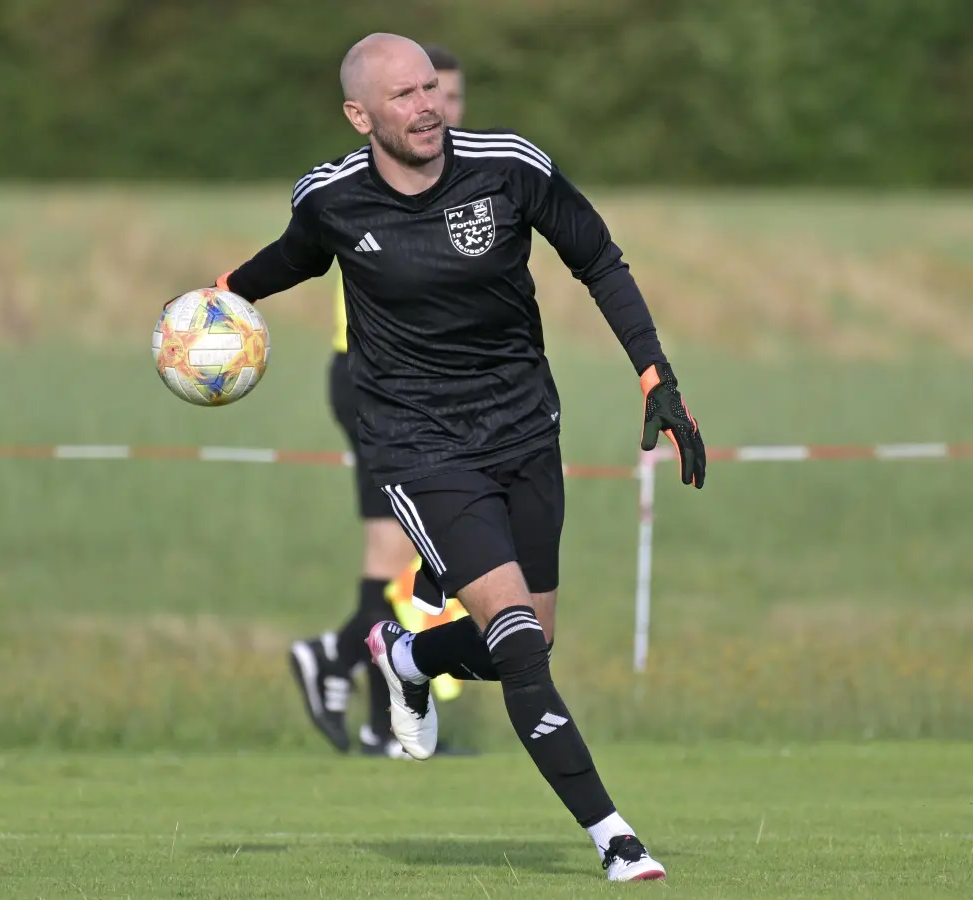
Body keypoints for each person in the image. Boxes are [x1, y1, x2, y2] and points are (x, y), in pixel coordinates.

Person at [212, 32, 704, 883]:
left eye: (431, 87)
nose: (428, 105)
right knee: (516, 639)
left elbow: (599, 260)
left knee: (530, 643)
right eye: (403, 96)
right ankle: (615, 837)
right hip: (418, 444)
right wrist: (217, 304)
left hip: (524, 432)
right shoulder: (331, 199)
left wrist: (655, 375)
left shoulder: (510, 168)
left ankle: (408, 657)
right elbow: (288, 261)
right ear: (359, 115)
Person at [284, 42, 472, 761]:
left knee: (395, 559)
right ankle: (341, 662)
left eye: (448, 97)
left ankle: (370, 714)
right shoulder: (377, 184)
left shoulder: (457, 176)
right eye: (423, 95)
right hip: (376, 380)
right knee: (416, 556)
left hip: (419, 386)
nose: (437, 110)